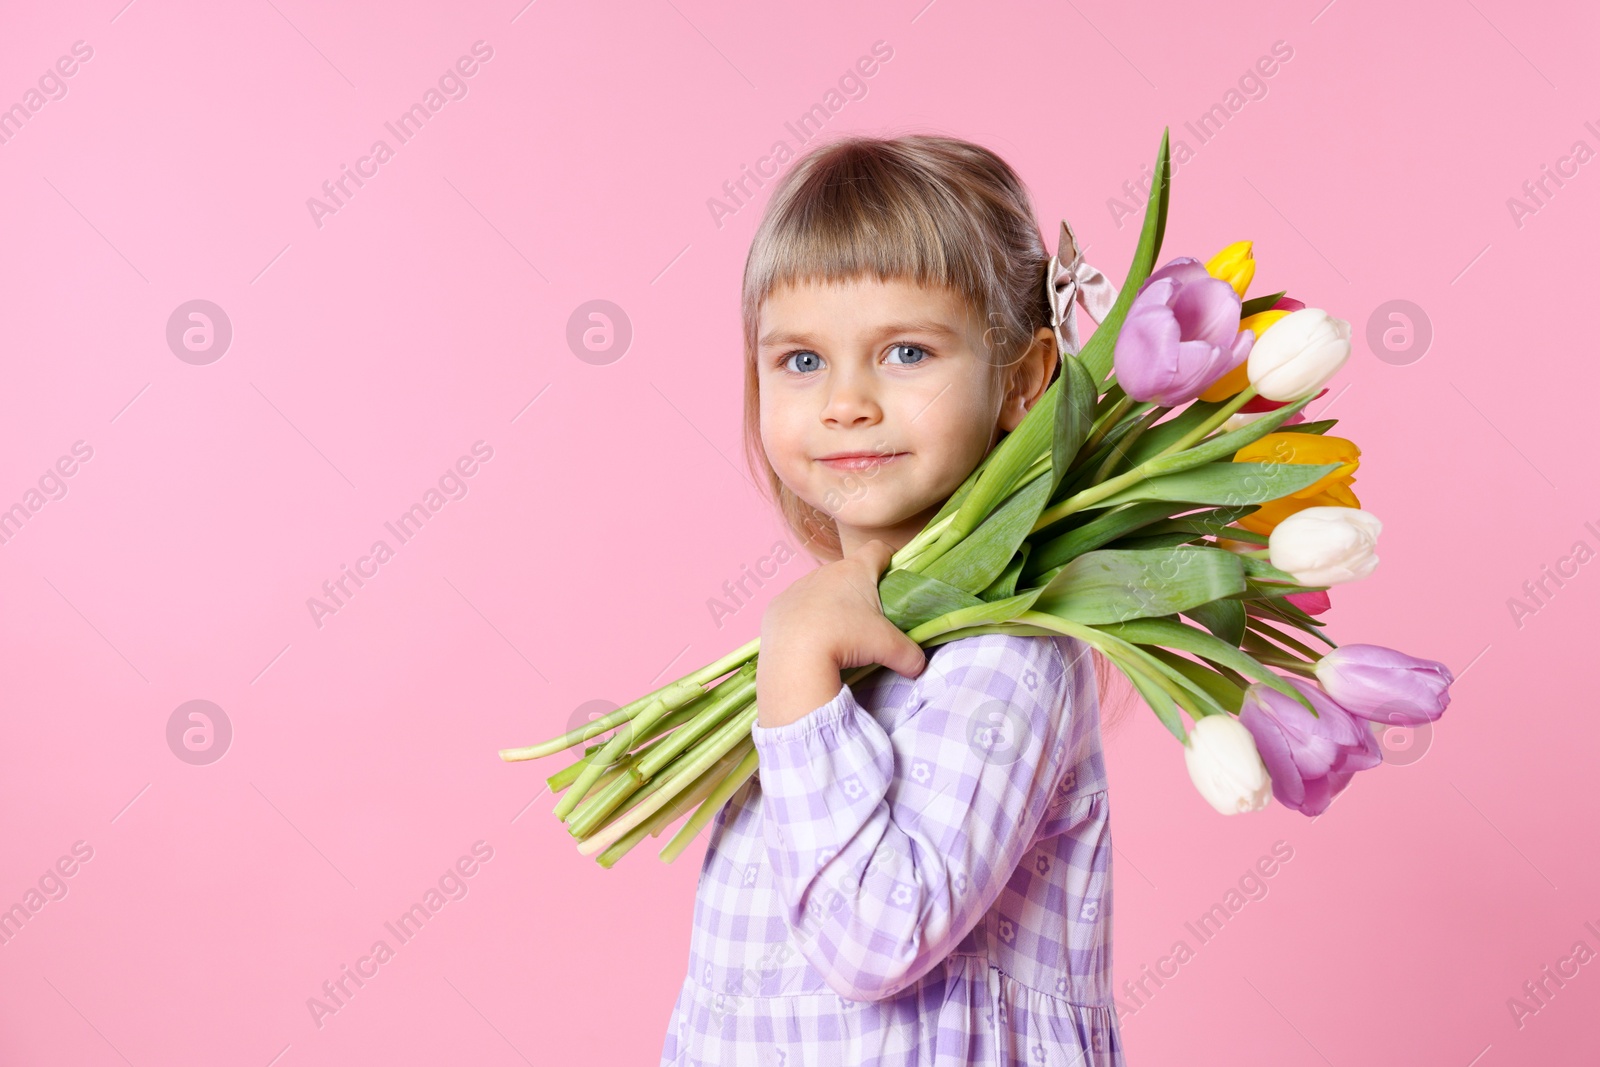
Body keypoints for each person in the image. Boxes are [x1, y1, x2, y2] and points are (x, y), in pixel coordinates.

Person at [659, 133, 1130, 1066]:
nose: (845, 402)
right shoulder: (835, 640)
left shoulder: (1010, 651)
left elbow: (876, 936)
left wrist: (793, 663)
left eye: (906, 351)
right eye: (800, 361)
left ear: (1024, 380)